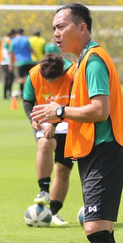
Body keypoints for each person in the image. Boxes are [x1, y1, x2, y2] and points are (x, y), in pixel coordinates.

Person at [32, 3, 123, 243]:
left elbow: (100, 110)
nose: (56, 34)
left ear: (82, 28)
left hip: (105, 151)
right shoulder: (82, 62)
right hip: (92, 151)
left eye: (61, 26)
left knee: (96, 229)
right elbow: (80, 108)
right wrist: (55, 118)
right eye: (53, 28)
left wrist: (59, 112)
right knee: (99, 230)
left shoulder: (94, 60)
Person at [23, 53, 75, 227]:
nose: (49, 83)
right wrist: (32, 118)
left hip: (70, 121)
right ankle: (43, 189)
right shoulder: (33, 74)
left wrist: (56, 122)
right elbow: (28, 101)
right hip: (44, 120)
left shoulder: (74, 73)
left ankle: (53, 213)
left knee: (63, 169)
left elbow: (77, 103)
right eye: (46, 79)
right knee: (46, 143)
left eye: (53, 80)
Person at [11, 28, 35, 96]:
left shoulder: (13, 40)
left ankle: (21, 93)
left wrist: (11, 63)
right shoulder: (26, 39)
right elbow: (31, 49)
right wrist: (37, 57)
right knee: (30, 78)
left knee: (21, 78)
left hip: (20, 62)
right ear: (23, 32)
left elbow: (11, 52)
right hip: (29, 61)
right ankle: (31, 93)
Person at [0, 29, 15, 99]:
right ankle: (7, 94)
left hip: (5, 61)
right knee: (9, 77)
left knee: (9, 77)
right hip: (6, 62)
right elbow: (5, 52)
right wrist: (10, 63)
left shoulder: (5, 40)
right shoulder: (7, 41)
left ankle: (6, 94)